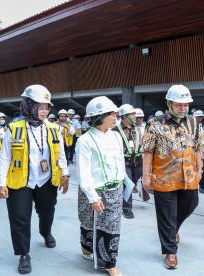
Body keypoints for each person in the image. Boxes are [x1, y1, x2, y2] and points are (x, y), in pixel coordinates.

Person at [0, 84, 70, 274]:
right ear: (28, 105)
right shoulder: (13, 129)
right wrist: (1, 183)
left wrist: (65, 174)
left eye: (47, 107)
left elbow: (61, 154)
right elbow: (4, 158)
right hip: (20, 182)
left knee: (47, 212)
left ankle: (45, 232)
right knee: (20, 218)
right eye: (40, 106)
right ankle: (23, 254)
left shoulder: (54, 129)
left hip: (46, 180)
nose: (44, 111)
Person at [142, 84, 202, 269]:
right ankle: (170, 251)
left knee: (192, 203)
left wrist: (199, 170)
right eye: (179, 104)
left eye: (186, 105)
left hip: (189, 176)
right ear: (169, 104)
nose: (183, 108)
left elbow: (198, 147)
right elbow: (147, 151)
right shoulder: (155, 124)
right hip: (164, 178)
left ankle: (170, 229)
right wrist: (146, 176)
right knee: (166, 214)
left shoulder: (193, 122)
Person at [76, 96, 125, 276]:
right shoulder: (85, 140)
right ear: (99, 116)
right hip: (94, 190)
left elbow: (120, 162)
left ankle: (109, 262)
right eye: (111, 114)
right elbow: (83, 172)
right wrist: (93, 197)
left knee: (111, 226)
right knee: (88, 221)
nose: (115, 116)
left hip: (115, 190)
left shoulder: (117, 136)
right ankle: (86, 244)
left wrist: (124, 182)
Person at [114, 104, 147, 219]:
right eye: (132, 114)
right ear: (123, 116)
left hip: (137, 161)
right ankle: (127, 209)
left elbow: (142, 144)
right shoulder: (115, 130)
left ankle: (125, 201)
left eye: (134, 114)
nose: (135, 116)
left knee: (135, 183)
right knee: (127, 185)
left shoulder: (137, 128)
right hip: (124, 162)